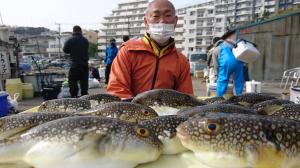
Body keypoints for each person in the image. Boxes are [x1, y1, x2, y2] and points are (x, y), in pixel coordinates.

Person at [107, 0, 193, 99]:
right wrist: (139, 111)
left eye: (168, 15)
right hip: (132, 112)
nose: (162, 21)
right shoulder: (128, 51)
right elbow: (117, 90)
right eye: (156, 16)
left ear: (175, 21)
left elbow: (186, 98)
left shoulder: (181, 61)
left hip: (167, 113)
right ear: (146, 22)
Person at [214, 30, 244, 96]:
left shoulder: (218, 48)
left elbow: (216, 65)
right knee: (238, 81)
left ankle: (219, 98)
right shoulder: (237, 44)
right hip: (239, 62)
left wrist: (217, 74)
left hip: (226, 63)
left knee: (222, 80)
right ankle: (239, 98)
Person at [63, 25, 89, 98]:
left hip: (75, 64)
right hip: (84, 65)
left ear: (73, 31)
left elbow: (65, 50)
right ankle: (85, 97)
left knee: (72, 81)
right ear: (80, 31)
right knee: (84, 82)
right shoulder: (85, 40)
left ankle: (74, 96)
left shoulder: (70, 40)